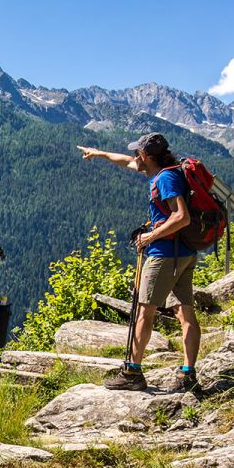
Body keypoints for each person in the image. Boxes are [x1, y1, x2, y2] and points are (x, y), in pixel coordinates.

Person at [77, 133, 201, 392]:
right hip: (184, 252)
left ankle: (133, 372)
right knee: (185, 311)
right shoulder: (168, 171)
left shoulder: (165, 178)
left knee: (145, 311)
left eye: (138, 154)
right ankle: (189, 372)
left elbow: (182, 217)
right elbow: (125, 162)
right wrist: (98, 153)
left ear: (147, 156)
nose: (135, 158)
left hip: (165, 255)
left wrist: (148, 237)